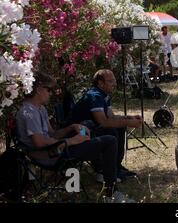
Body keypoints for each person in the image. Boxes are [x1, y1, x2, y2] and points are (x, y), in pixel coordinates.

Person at [15, 71, 129, 202]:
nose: (51, 93)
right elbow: (39, 143)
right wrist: (72, 141)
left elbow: (53, 134)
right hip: (50, 155)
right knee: (110, 141)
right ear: (39, 89)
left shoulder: (40, 109)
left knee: (88, 126)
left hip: (58, 147)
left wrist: (72, 127)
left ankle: (103, 172)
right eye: (49, 90)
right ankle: (111, 193)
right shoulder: (28, 112)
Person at [70, 69, 142, 182]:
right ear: (100, 83)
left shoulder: (104, 95)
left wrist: (128, 118)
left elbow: (111, 118)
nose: (114, 83)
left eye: (114, 80)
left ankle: (115, 167)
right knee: (111, 131)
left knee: (119, 127)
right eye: (110, 81)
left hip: (89, 129)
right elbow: (103, 122)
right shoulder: (95, 96)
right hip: (78, 133)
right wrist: (128, 122)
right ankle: (103, 171)